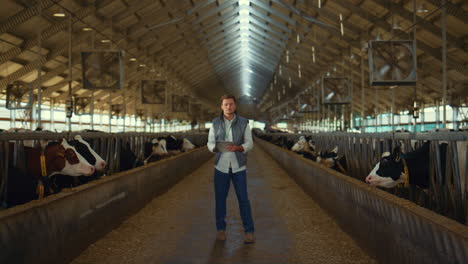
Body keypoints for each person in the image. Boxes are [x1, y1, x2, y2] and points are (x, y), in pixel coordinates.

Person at [207, 94, 255, 244]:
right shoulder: (215, 123)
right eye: (226, 104)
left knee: (243, 199)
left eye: (231, 104)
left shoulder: (244, 122)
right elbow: (209, 143)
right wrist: (216, 148)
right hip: (220, 166)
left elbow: (250, 143)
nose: (229, 107)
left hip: (238, 166)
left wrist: (239, 147)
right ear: (221, 106)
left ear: (235, 106)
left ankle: (249, 231)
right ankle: (221, 230)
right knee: (220, 199)